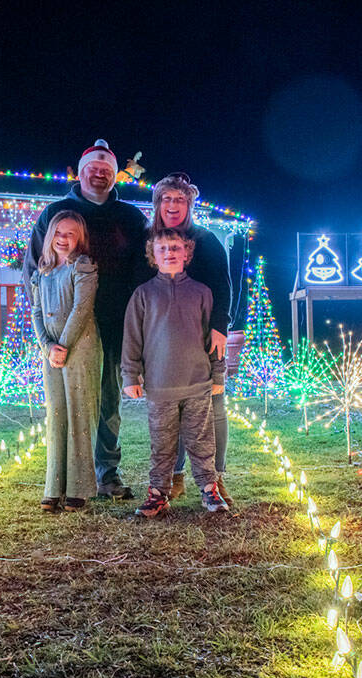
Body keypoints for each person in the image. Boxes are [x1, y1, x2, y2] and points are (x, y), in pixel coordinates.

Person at [23, 140, 150, 500]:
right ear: (80, 173)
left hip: (113, 321)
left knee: (109, 401)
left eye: (106, 170)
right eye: (93, 169)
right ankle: (65, 479)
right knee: (66, 404)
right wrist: (45, 328)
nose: (99, 174)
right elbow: (35, 268)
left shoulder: (130, 218)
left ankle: (106, 473)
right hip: (64, 328)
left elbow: (143, 269)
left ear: (114, 176)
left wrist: (138, 316)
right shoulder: (56, 213)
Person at [122, 228, 227, 517]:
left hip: (198, 385)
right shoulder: (143, 295)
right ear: (153, 256)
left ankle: (209, 489)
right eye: (163, 249)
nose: (169, 253)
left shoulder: (202, 293)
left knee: (202, 442)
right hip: (159, 388)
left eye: (176, 247)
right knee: (162, 445)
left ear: (187, 253)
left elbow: (214, 340)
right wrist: (130, 375)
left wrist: (218, 375)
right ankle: (158, 494)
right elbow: (132, 338)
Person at [148, 173, 233, 505]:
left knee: (213, 406)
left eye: (180, 200)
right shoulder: (150, 239)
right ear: (158, 204)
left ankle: (216, 478)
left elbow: (224, 287)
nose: (173, 205)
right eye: (166, 199)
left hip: (204, 337)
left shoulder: (207, 240)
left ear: (190, 205)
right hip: (164, 342)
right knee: (171, 410)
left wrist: (219, 327)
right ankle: (176, 477)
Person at [30, 211, 102, 512]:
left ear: (80, 238)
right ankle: (54, 485)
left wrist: (63, 345)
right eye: (58, 232)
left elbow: (81, 309)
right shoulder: (42, 271)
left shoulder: (82, 267)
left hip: (80, 347)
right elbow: (35, 312)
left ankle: (79, 487)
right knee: (57, 414)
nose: (63, 238)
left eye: (71, 233)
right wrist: (47, 345)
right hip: (51, 352)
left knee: (79, 415)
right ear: (50, 236)